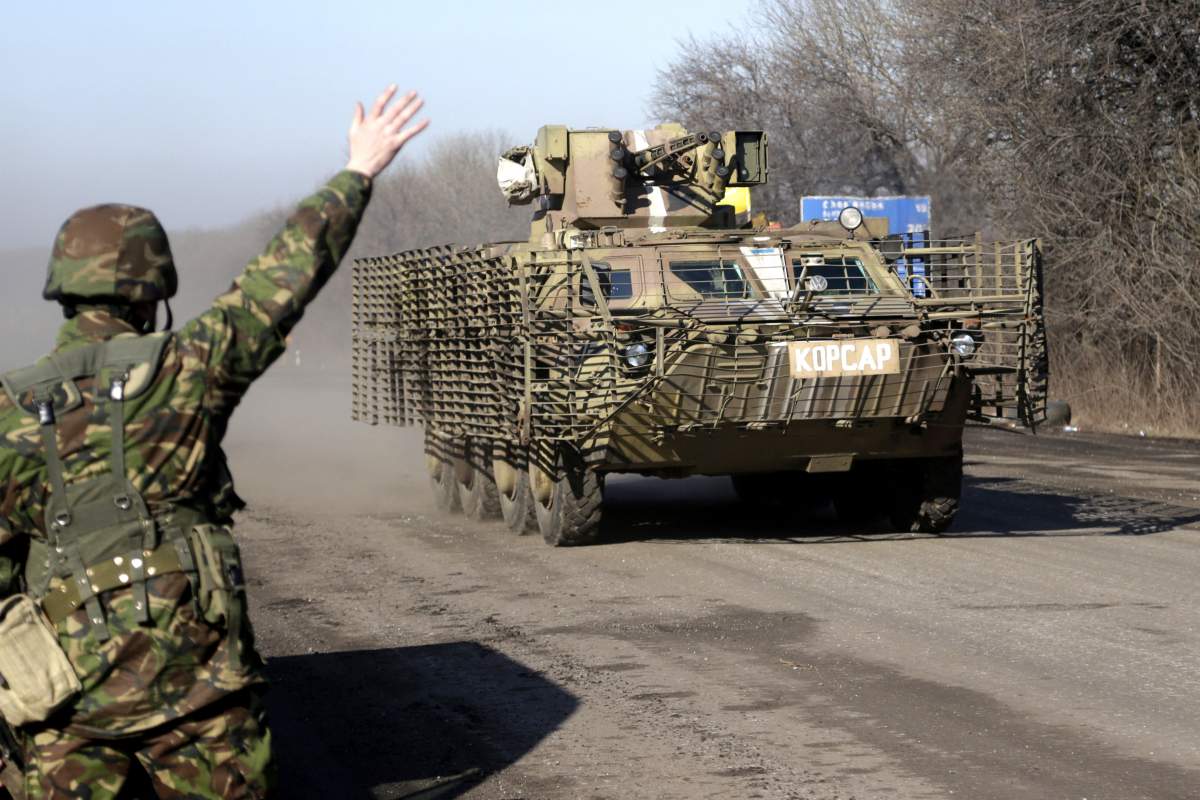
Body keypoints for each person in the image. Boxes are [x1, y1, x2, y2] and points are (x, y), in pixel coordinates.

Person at [0, 84, 428, 799]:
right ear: (153, 291)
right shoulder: (191, 366)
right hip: (198, 691)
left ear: (63, 291)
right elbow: (282, 277)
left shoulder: (11, 409)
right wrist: (358, 171)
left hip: (64, 699)